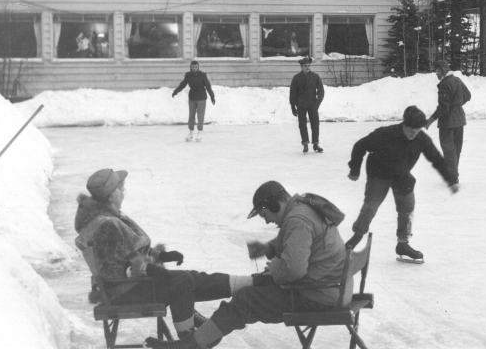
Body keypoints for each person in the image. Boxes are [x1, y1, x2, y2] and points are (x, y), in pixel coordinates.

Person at [145, 181, 349, 349]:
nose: (268, 221)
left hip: (318, 295)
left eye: (264, 214)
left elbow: (293, 270)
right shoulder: (302, 209)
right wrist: (268, 249)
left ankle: (193, 346)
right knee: (256, 284)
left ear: (276, 205)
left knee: (245, 300)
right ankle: (200, 340)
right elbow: (295, 242)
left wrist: (276, 268)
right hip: (328, 288)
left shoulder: (297, 220)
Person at [75, 169, 254, 341]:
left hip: (127, 286)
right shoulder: (107, 225)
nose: (124, 192)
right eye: (121, 188)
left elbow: (128, 253)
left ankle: (250, 282)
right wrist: (146, 268)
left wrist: (161, 256)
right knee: (183, 280)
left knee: (189, 278)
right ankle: (189, 339)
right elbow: (112, 269)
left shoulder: (107, 218)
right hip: (124, 291)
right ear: (112, 195)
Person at [348, 106, 459, 263]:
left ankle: (403, 244)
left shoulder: (421, 139)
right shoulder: (385, 134)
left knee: (407, 207)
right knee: (370, 207)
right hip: (379, 173)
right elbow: (360, 146)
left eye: (417, 130)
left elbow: (437, 159)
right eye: (411, 129)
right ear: (404, 125)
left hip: (401, 175)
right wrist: (355, 169)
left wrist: (451, 180)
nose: (414, 133)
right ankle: (357, 236)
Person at [425, 60, 471, 181]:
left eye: (438, 71)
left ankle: (453, 176)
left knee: (449, 149)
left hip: (448, 122)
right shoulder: (457, 80)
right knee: (456, 148)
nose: (436, 74)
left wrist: (431, 119)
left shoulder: (445, 84)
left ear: (443, 70)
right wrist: (457, 104)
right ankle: (453, 173)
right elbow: (468, 96)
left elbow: (443, 107)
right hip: (459, 119)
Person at [172, 61, 216, 142]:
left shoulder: (202, 75)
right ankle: (191, 132)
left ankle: (199, 132)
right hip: (192, 97)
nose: (194, 68)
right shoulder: (188, 75)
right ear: (190, 67)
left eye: (196, 67)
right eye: (193, 67)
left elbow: (208, 86)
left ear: (198, 67)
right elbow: (183, 84)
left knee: (200, 115)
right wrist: (176, 91)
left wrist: (212, 96)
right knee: (191, 115)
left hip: (201, 97)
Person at [289, 56, 325, 153]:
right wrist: (293, 106)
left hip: (312, 104)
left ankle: (315, 144)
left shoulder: (315, 77)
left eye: (309, 65)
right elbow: (293, 93)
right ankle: (305, 144)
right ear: (301, 67)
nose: (307, 67)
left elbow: (321, 91)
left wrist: (317, 103)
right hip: (301, 105)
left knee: (315, 124)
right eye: (305, 66)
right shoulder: (296, 78)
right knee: (302, 125)